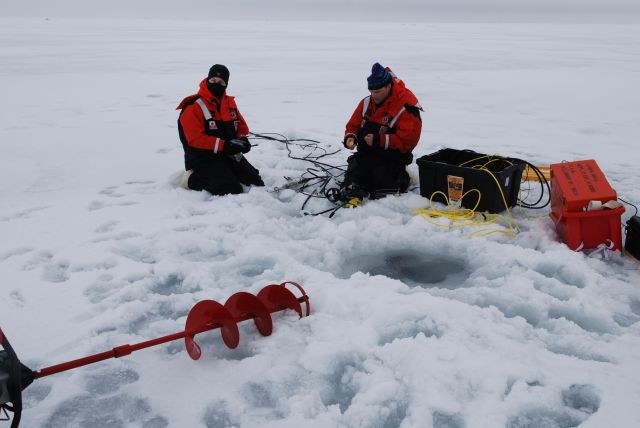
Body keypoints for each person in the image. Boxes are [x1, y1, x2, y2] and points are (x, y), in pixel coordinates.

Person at [177, 64, 264, 195]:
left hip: (226, 154)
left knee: (255, 181)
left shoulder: (228, 103)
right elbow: (195, 140)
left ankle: (226, 170)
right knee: (230, 188)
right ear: (207, 79)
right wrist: (225, 145)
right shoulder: (193, 105)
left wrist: (242, 139)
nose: (216, 84)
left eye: (221, 81)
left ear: (226, 84)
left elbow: (241, 127)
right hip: (202, 158)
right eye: (213, 80)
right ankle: (190, 179)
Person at [342, 62, 423, 203]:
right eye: (371, 92)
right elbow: (352, 125)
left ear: (388, 86)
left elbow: (408, 142)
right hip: (366, 155)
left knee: (382, 179)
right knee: (355, 171)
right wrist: (350, 137)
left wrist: (380, 140)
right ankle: (354, 191)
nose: (374, 95)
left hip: (391, 159)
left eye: (378, 92)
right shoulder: (367, 102)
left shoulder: (406, 107)